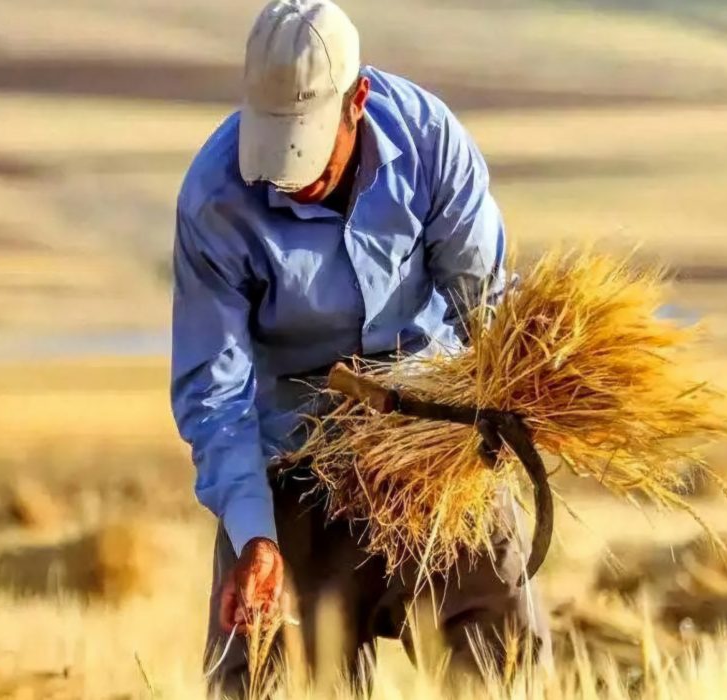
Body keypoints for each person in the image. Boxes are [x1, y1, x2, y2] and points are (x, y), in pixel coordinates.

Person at [170, 0, 551, 694]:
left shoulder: (431, 141)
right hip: (294, 453)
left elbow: (483, 306)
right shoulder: (214, 200)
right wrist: (255, 536)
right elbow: (216, 393)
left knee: (508, 667)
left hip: (433, 445)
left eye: (308, 143)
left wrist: (517, 401)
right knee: (263, 675)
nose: (289, 173)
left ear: (358, 101)